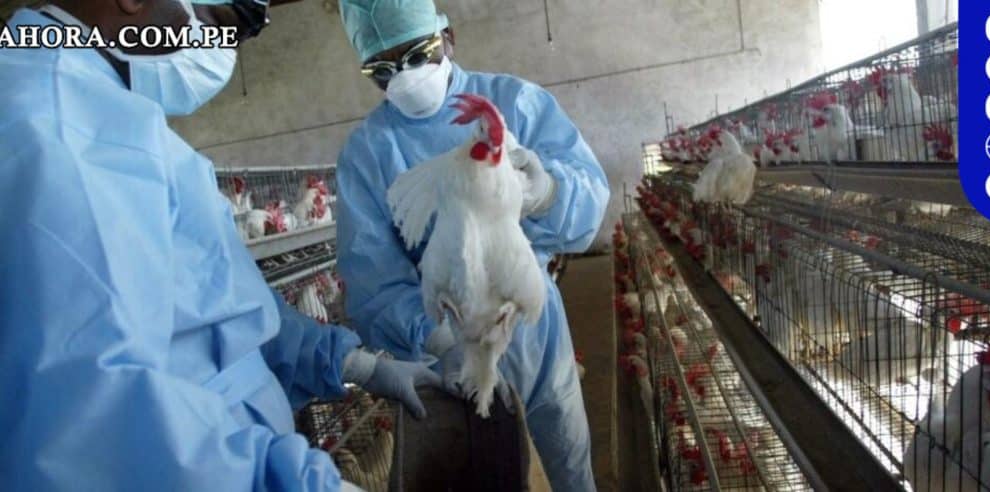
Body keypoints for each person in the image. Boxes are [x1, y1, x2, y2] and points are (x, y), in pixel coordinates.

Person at [0, 1, 440, 490]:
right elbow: (93, 430)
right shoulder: (54, 128)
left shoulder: (103, 109)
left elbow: (215, 299)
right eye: (218, 24)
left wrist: (349, 362)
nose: (220, 51)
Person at [335, 1, 610, 490]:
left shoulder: (515, 102)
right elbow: (372, 282)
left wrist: (549, 193)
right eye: (382, 70)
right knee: (490, 475)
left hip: (535, 334)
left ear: (448, 37)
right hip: (451, 353)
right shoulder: (367, 153)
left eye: (416, 54)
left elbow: (590, 207)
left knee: (566, 463)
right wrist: (442, 339)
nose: (404, 77)